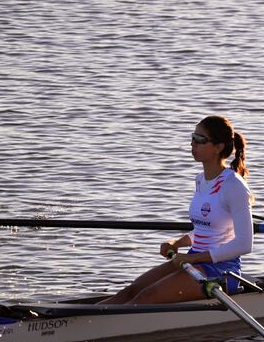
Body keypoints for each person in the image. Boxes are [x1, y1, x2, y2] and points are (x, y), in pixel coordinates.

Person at [100, 116, 253, 304]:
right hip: (193, 260)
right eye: (192, 137)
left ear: (219, 147)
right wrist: (177, 243)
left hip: (221, 270)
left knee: (145, 298)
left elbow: (245, 244)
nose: (192, 144)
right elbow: (206, 230)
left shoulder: (234, 185)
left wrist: (196, 258)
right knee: (131, 291)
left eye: (199, 140)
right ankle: (76, 322)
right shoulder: (200, 180)